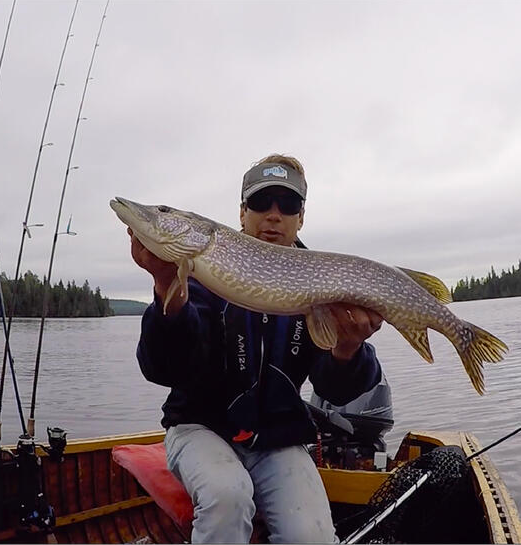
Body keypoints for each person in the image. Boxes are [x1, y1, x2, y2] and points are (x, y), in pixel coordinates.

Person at [128, 154, 385, 543]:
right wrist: (168, 290)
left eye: (288, 205)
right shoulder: (203, 273)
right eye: (262, 203)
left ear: (301, 218)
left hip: (278, 439)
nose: (274, 215)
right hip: (199, 430)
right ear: (242, 212)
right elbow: (163, 368)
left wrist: (347, 351)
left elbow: (334, 388)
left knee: (312, 536)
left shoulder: (318, 284)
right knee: (226, 497)